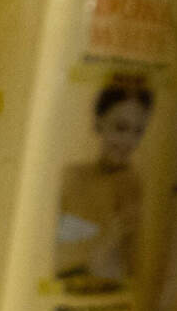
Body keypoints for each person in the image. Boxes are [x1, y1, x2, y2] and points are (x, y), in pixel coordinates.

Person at [55, 81, 151, 292]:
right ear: (99, 123)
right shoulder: (72, 179)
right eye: (121, 128)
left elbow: (135, 270)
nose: (128, 141)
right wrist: (106, 242)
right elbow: (55, 257)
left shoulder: (133, 185)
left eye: (137, 132)